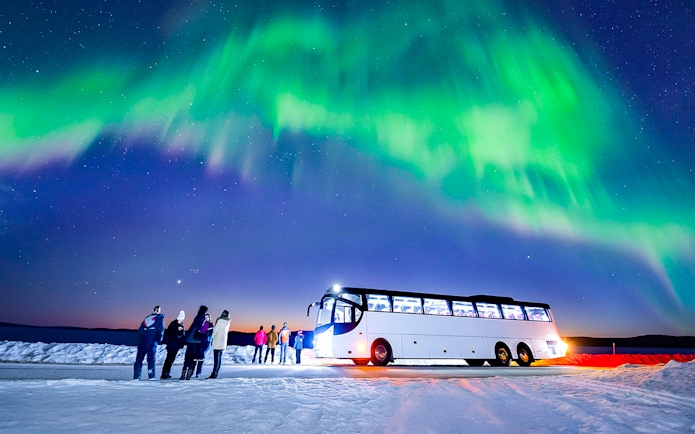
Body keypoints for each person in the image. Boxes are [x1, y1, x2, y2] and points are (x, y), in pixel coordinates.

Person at [133, 305, 165, 380]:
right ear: (159, 310)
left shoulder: (147, 318)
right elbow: (161, 330)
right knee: (151, 359)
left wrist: (138, 341)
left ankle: (136, 377)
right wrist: (159, 340)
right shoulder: (160, 318)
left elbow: (140, 331)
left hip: (142, 342)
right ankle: (151, 376)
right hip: (151, 342)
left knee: (139, 360)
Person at [180, 305, 208, 380]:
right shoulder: (203, 319)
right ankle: (188, 375)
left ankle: (183, 375)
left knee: (187, 357)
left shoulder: (196, 317)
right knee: (192, 358)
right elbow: (202, 331)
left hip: (189, 340)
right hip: (196, 341)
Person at [160, 310, 185, 379]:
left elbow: (183, 334)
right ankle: (164, 373)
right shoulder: (173, 324)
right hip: (171, 345)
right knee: (169, 359)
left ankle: (167, 372)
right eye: (179, 319)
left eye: (181, 319)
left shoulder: (182, 324)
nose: (180, 320)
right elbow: (169, 334)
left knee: (171, 359)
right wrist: (177, 331)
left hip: (176, 345)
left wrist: (182, 343)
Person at [208, 310, 231, 379]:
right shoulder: (228, 321)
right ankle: (216, 372)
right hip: (223, 341)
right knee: (219, 358)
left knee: (216, 358)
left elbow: (216, 330)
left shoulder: (220, 320)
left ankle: (214, 374)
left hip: (218, 340)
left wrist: (212, 337)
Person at [194, 313, 214, 378]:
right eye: (205, 317)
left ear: (209, 318)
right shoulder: (202, 324)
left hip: (205, 342)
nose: (206, 318)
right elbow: (200, 332)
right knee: (196, 358)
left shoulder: (211, 325)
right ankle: (192, 372)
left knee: (201, 358)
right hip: (199, 342)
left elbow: (210, 335)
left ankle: (198, 372)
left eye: (207, 317)